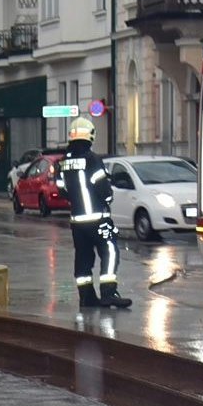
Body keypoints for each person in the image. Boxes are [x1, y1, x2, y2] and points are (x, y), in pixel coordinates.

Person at [61, 117, 132, 309]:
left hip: (77, 222)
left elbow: (62, 190)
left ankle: (86, 297)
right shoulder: (92, 159)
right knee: (110, 251)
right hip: (98, 219)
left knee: (83, 257)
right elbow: (104, 190)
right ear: (90, 135)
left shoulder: (64, 162)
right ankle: (108, 293)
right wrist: (107, 199)